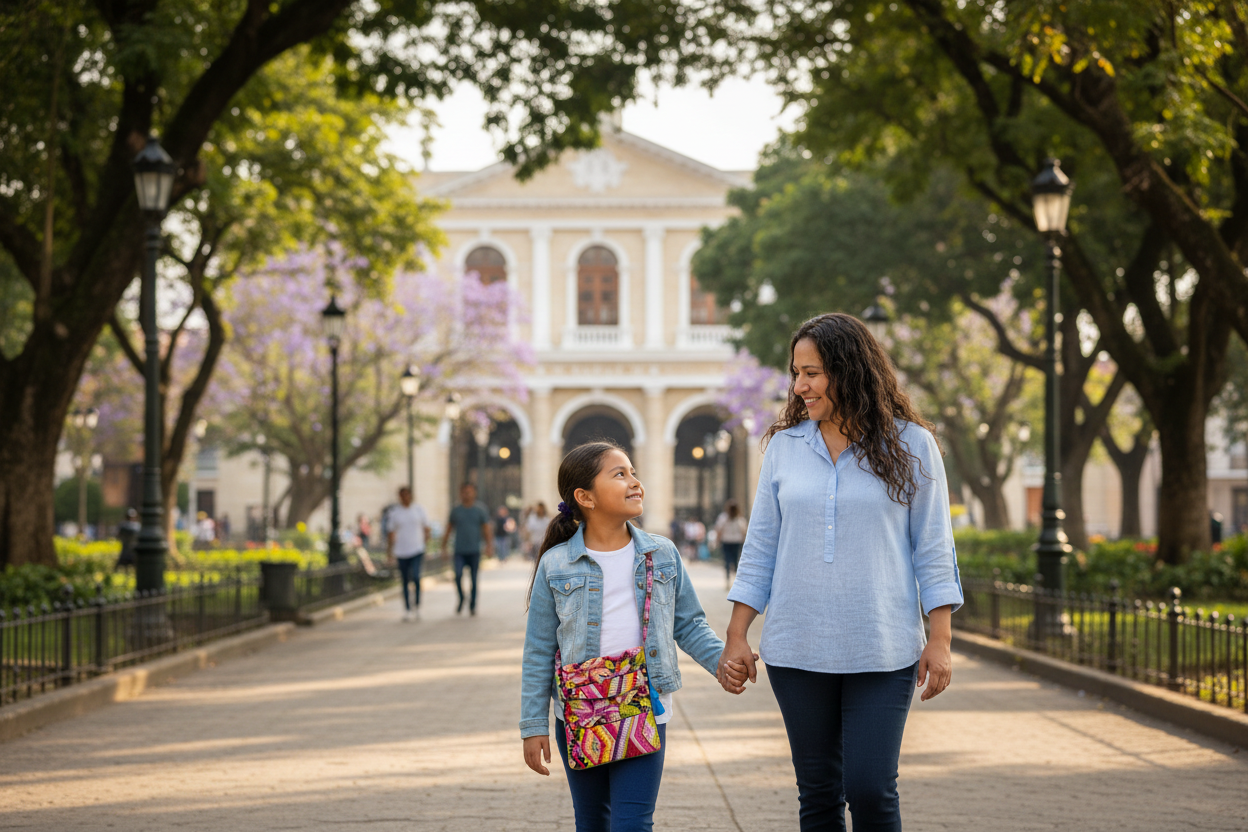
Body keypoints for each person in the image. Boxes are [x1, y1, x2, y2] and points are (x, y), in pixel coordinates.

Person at [719, 312, 962, 832]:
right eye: (796, 373)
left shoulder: (913, 445)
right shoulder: (785, 447)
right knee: (819, 794)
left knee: (871, 788)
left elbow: (934, 548)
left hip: (883, 647)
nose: (799, 386)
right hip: (796, 648)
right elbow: (760, 548)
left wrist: (940, 639)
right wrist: (737, 634)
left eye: (812, 373)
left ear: (850, 371)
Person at [520, 441, 725, 832]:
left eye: (633, 472)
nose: (635, 482)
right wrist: (533, 726)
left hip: (643, 706)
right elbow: (539, 651)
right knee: (592, 821)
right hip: (580, 712)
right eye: (619, 474)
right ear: (585, 497)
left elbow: (688, 624)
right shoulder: (556, 563)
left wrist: (723, 663)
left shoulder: (661, 554)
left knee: (633, 823)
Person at [442, 483, 492, 615]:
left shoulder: (480, 510)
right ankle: (461, 597)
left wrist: (489, 546)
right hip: (459, 550)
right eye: (464, 492)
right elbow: (448, 529)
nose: (467, 494)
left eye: (469, 492)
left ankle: (473, 604)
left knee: (474, 579)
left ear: (474, 493)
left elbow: (486, 529)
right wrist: (444, 546)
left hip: (474, 550)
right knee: (457, 576)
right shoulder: (456, 510)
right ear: (460, 493)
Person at [387, 486, 430, 622]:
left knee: (416, 577)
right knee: (405, 580)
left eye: (407, 494)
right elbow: (391, 533)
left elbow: (427, 528)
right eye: (402, 495)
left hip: (417, 549)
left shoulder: (419, 510)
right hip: (401, 551)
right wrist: (389, 551)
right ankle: (407, 609)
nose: (405, 497)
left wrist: (425, 544)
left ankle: (417, 606)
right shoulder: (395, 512)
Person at [713, 500, 748, 588]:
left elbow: (719, 530)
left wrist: (717, 541)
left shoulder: (723, 518)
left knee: (727, 560)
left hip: (727, 541)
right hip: (736, 541)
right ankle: (736, 579)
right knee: (736, 560)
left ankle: (728, 579)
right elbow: (744, 531)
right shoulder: (740, 519)